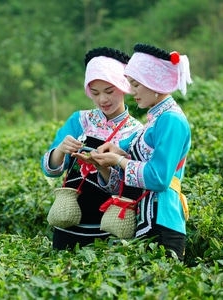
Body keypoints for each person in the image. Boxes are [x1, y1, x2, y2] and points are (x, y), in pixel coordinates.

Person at [76, 43, 192, 260]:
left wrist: (118, 160)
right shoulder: (155, 119)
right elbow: (129, 146)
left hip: (164, 221)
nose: (132, 91)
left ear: (154, 83)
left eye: (136, 85)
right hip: (145, 217)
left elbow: (158, 178)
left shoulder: (171, 120)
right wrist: (109, 153)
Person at [41, 47, 143, 250]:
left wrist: (103, 166)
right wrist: (61, 149)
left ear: (123, 87)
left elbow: (127, 186)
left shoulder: (136, 132)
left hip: (107, 225)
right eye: (95, 93)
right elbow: (50, 169)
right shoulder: (79, 120)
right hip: (68, 220)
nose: (103, 100)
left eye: (109, 91)